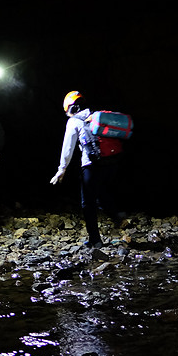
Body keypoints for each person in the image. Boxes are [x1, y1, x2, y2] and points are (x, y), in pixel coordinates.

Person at [50, 91, 122, 250]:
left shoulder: (74, 121)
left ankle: (95, 240)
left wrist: (62, 169)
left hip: (90, 164)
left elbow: (67, 148)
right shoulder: (96, 116)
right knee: (101, 192)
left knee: (87, 203)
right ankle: (116, 214)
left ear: (71, 108)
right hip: (111, 163)